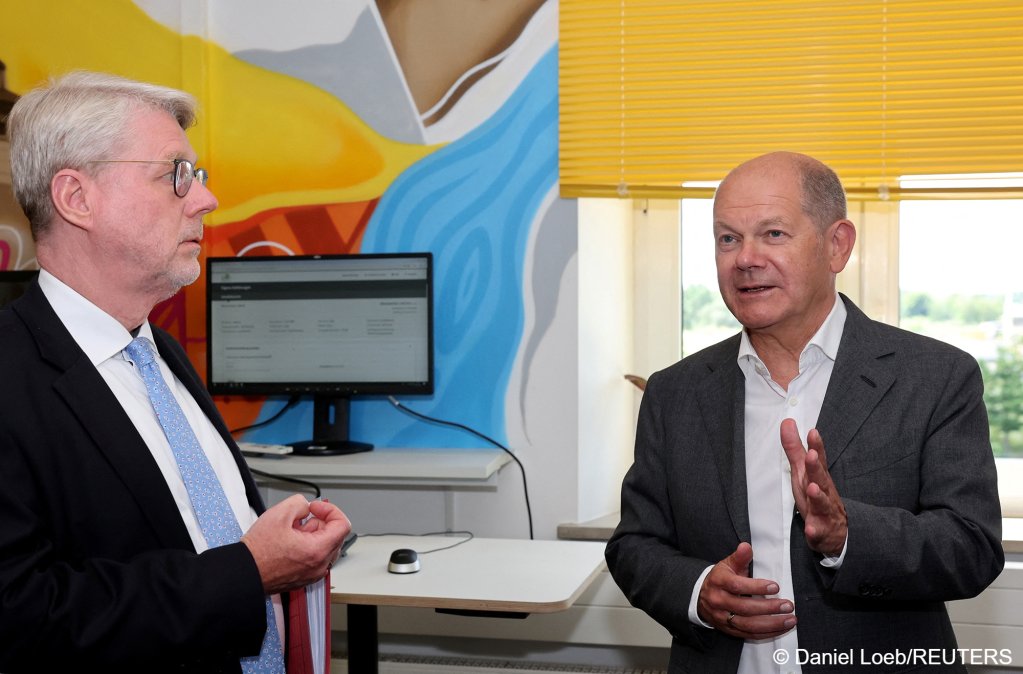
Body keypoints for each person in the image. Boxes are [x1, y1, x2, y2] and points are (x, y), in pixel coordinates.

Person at [0, 71, 351, 673]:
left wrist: (276, 545)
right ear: (76, 198)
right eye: (176, 174)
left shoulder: (160, 352)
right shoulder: (11, 376)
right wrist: (249, 570)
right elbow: (20, 616)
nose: (206, 200)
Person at [605, 151, 1004, 673]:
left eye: (773, 234)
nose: (745, 258)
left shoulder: (935, 376)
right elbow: (635, 545)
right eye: (728, 238)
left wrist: (847, 535)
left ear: (837, 245)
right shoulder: (674, 392)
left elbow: (971, 547)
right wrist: (698, 590)